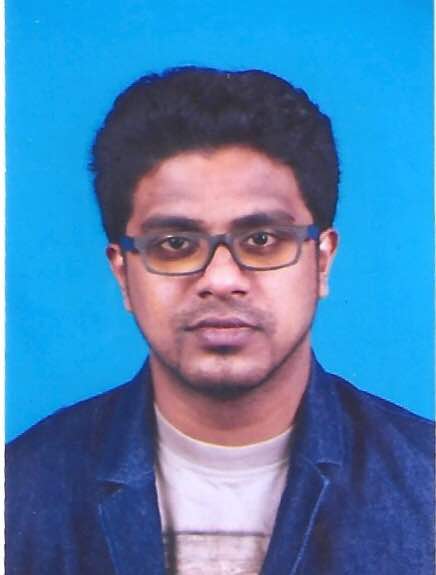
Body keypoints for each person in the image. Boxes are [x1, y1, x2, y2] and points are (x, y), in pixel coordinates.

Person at [6, 66, 434, 575]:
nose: (222, 279)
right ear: (123, 273)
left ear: (322, 261)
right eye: (175, 244)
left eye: (262, 240)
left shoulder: (426, 484)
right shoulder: (19, 492)